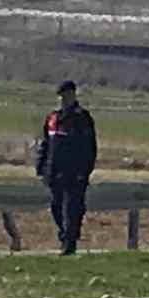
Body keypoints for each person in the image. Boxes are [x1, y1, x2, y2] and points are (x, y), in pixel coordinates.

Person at [35, 79, 98, 254]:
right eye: (61, 97)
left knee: (72, 209)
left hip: (74, 174)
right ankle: (65, 236)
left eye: (67, 96)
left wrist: (84, 172)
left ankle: (69, 244)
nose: (64, 100)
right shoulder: (53, 118)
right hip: (54, 172)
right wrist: (40, 167)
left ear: (73, 95)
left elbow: (89, 148)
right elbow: (46, 144)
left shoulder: (81, 118)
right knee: (56, 207)